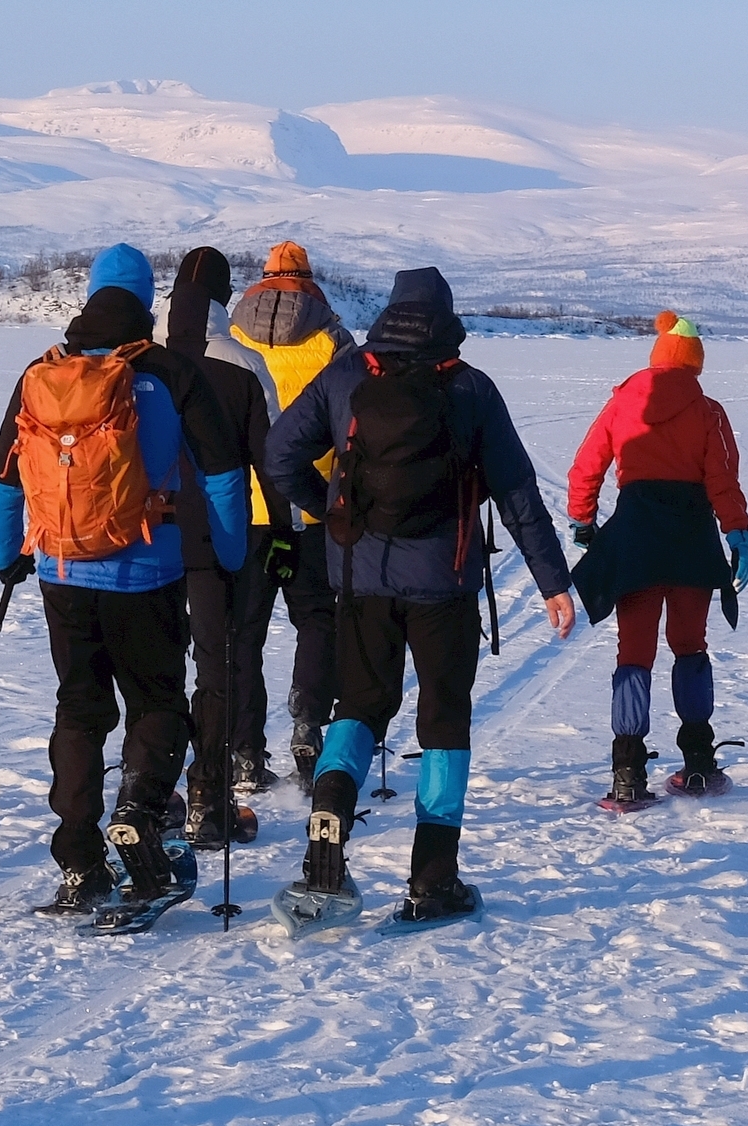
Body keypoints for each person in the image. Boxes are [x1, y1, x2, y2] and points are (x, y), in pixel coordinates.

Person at [261, 265, 576, 920]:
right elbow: (518, 493)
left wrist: (333, 512)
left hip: (363, 579)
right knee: (444, 720)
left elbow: (280, 451)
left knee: (360, 705)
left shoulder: (347, 377)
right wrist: (552, 581)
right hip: (446, 583)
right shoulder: (470, 388)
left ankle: (327, 827)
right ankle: (434, 879)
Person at [0, 243, 252, 912]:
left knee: (79, 709)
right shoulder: (171, 371)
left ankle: (79, 861)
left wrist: (8, 557)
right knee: (158, 702)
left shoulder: (41, 374)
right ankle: (138, 808)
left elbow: (0, 481)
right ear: (144, 302)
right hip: (147, 573)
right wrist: (229, 552)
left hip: (62, 572)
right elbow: (223, 474)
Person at [567, 310, 748, 804]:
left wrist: (583, 520)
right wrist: (737, 533)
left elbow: (587, 465)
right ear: (694, 361)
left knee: (634, 654)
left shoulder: (623, 402)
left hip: (636, 542)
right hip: (692, 543)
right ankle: (697, 765)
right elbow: (723, 479)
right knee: (690, 648)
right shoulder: (709, 410)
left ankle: (626, 775)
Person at [224, 241, 348, 791]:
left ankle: (244, 751)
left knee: (242, 632)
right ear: (308, 278)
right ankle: (308, 725)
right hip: (312, 505)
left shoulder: (233, 336)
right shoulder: (333, 338)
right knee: (317, 619)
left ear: (265, 278)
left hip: (244, 507)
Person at [164, 247, 277, 849]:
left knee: (154, 672)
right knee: (218, 666)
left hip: (145, 540)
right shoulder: (243, 364)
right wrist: (283, 529)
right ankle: (210, 795)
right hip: (218, 540)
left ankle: (150, 794)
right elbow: (271, 458)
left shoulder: (139, 361)